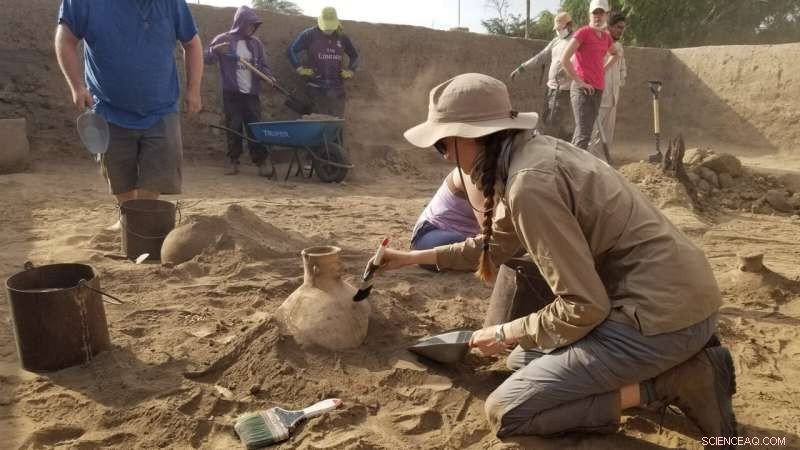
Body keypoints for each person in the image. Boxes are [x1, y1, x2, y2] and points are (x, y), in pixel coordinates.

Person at [378, 73, 736, 446]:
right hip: (673, 300)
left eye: (443, 145)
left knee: (511, 412)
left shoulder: (530, 184)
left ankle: (670, 381)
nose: (447, 156)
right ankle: (680, 371)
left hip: (661, 319)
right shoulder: (526, 155)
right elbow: (489, 249)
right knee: (520, 361)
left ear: (473, 136)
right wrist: (407, 258)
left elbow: (583, 306)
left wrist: (501, 332)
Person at [55, 0, 203, 224]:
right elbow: (66, 39)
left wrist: (194, 90)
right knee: (116, 170)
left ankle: (139, 215)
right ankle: (128, 215)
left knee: (160, 168)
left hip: (161, 107)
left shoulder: (172, 3)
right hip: (108, 106)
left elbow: (192, 44)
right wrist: (76, 86)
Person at [205, 6, 272, 177]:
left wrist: (268, 77)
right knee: (233, 127)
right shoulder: (224, 39)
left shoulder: (256, 44)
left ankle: (261, 161)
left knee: (255, 128)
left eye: (254, 26)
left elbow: (263, 66)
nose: (251, 28)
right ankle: (233, 161)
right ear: (240, 23)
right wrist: (215, 50)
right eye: (249, 24)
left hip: (251, 93)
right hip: (232, 93)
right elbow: (206, 59)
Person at [560, 0, 619, 150]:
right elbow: (565, 59)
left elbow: (615, 54)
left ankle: (570, 164)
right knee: (584, 134)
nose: (598, 16)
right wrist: (580, 82)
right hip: (583, 89)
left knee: (584, 132)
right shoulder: (583, 32)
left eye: (601, 13)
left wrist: (603, 70)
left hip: (598, 88)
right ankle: (574, 169)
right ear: (590, 14)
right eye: (595, 13)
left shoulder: (606, 38)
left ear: (606, 15)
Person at [509, 12, 575, 141]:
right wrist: (522, 67)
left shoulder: (575, 41)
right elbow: (541, 56)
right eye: (557, 29)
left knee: (554, 121)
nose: (558, 31)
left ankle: (556, 147)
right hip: (551, 87)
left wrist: (568, 71)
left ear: (569, 25)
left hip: (563, 89)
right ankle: (558, 141)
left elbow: (579, 61)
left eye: (560, 29)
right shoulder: (556, 41)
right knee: (547, 118)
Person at [287, 6, 359, 118]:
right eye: (326, 28)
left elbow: (354, 56)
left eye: (331, 28)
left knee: (336, 122)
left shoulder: (342, 37)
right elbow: (291, 50)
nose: (328, 30)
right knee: (315, 119)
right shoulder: (309, 35)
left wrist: (351, 71)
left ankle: (336, 135)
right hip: (315, 88)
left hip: (336, 88)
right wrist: (299, 68)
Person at [410, 168, 482, 271]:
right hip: (432, 234)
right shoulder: (469, 173)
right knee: (486, 249)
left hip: (468, 237)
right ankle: (409, 258)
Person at [588, 12, 627, 163]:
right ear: (609, 26)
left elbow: (622, 67)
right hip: (598, 94)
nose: (621, 31)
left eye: (623, 28)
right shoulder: (597, 42)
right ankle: (586, 162)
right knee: (591, 132)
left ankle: (601, 163)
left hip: (613, 97)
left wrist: (621, 81)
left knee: (607, 134)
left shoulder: (618, 46)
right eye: (618, 27)